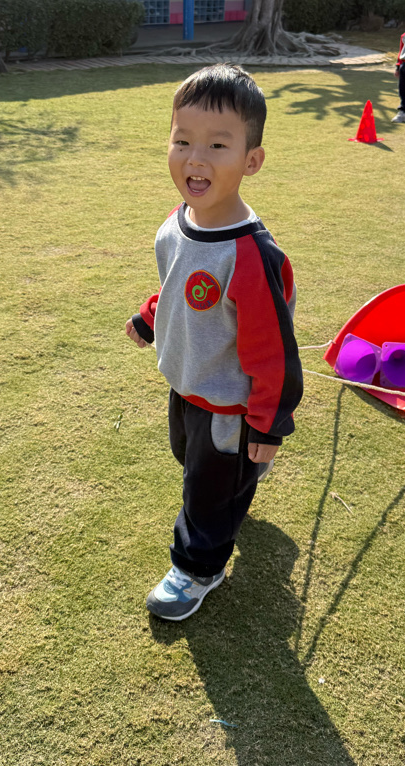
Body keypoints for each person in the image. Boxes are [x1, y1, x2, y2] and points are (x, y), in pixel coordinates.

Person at [125, 64, 303, 621]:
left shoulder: (249, 255)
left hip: (230, 404)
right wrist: (151, 318)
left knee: (204, 490)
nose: (195, 159)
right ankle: (240, 478)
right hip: (186, 382)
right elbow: (175, 286)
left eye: (218, 145)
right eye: (182, 141)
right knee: (190, 459)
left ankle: (198, 568)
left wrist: (269, 424)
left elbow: (274, 353)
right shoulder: (176, 223)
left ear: (252, 160)